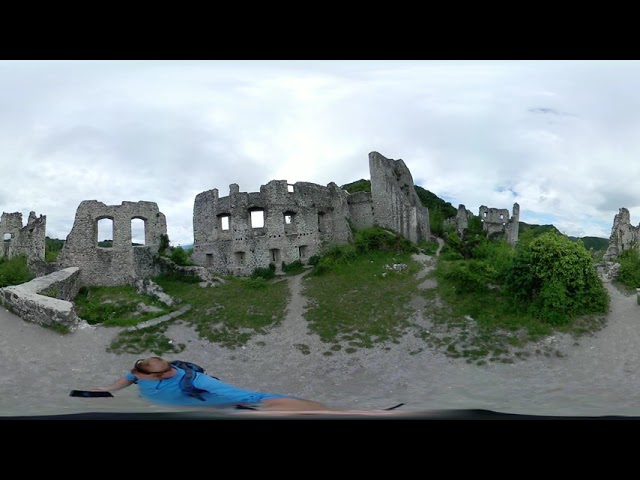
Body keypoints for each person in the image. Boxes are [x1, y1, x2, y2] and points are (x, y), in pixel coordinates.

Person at [91, 356, 334, 412]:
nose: (134, 376)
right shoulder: (144, 372)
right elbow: (129, 377)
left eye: (138, 375)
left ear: (163, 376)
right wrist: (109, 390)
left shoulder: (196, 380)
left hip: (216, 407)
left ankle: (316, 408)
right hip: (160, 408)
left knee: (249, 402)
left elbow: (246, 395)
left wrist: (268, 401)